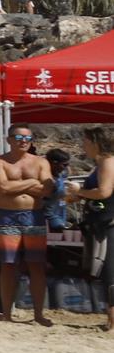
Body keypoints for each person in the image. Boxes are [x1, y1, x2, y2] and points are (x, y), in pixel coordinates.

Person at [0, 127, 53, 325]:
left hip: (34, 216)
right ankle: (6, 313)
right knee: (8, 264)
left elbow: (47, 189)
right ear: (9, 139)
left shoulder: (41, 162)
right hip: (8, 217)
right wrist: (33, 182)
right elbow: (3, 187)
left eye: (27, 138)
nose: (23, 141)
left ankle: (38, 314)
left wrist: (17, 186)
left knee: (36, 264)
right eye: (18, 137)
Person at [75, 128, 114, 331]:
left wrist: (79, 191)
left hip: (109, 223)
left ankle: (113, 319)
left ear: (94, 142)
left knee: (110, 271)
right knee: (106, 270)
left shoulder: (107, 162)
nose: (83, 146)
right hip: (101, 221)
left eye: (85, 141)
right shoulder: (101, 163)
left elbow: (104, 192)